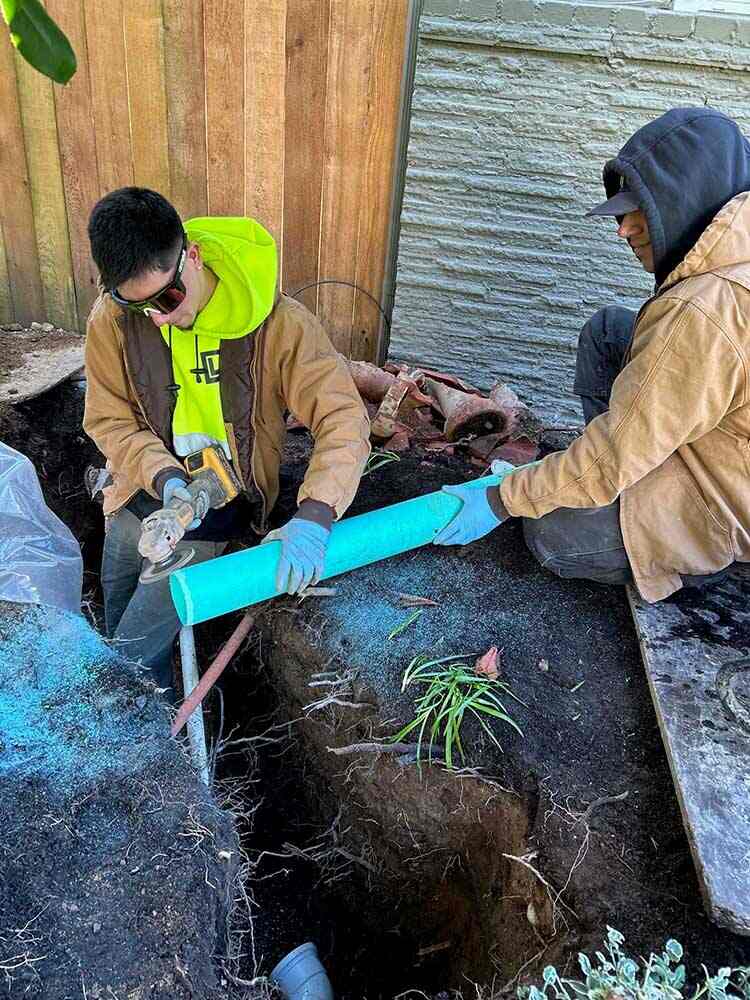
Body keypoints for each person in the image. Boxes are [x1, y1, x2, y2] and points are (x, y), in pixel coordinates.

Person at [434, 107, 750, 604]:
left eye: (641, 211)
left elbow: (615, 450)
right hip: (727, 443)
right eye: (623, 212)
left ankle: (699, 553)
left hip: (724, 495)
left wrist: (501, 499)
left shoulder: (702, 310)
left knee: (552, 535)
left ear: (686, 202)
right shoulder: (738, 247)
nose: (624, 230)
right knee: (609, 332)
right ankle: (612, 481)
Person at [84, 188, 370, 694]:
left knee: (127, 658)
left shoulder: (277, 324)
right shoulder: (112, 319)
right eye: (137, 306)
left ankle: (146, 758)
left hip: (221, 503)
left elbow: (343, 419)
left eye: (168, 299)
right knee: (116, 614)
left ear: (190, 256)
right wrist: (165, 475)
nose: (159, 318)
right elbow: (109, 420)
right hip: (142, 487)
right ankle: (148, 713)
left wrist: (317, 512)